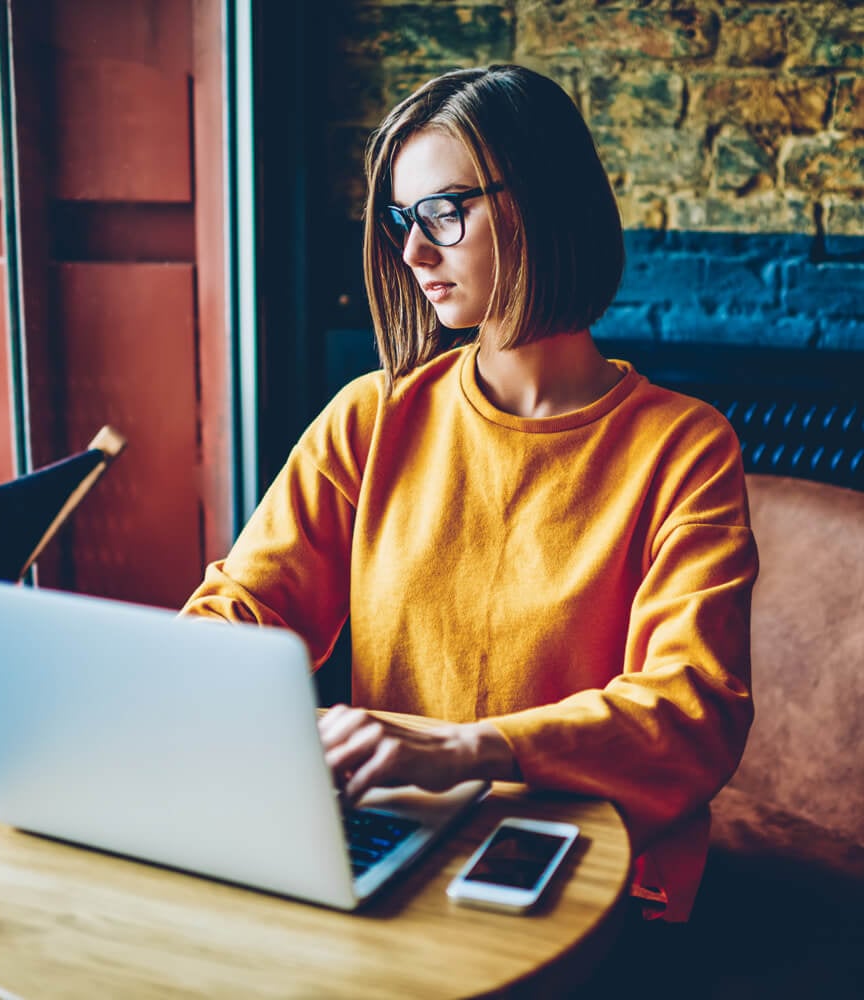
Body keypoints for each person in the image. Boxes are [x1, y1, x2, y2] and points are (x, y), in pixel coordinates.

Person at [182, 64, 757, 924]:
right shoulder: (373, 417)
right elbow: (245, 604)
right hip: (396, 842)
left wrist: (467, 750)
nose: (414, 253)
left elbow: (689, 712)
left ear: (541, 204)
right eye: (402, 221)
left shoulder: (683, 447)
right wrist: (168, 681)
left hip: (587, 872)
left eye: (444, 214)